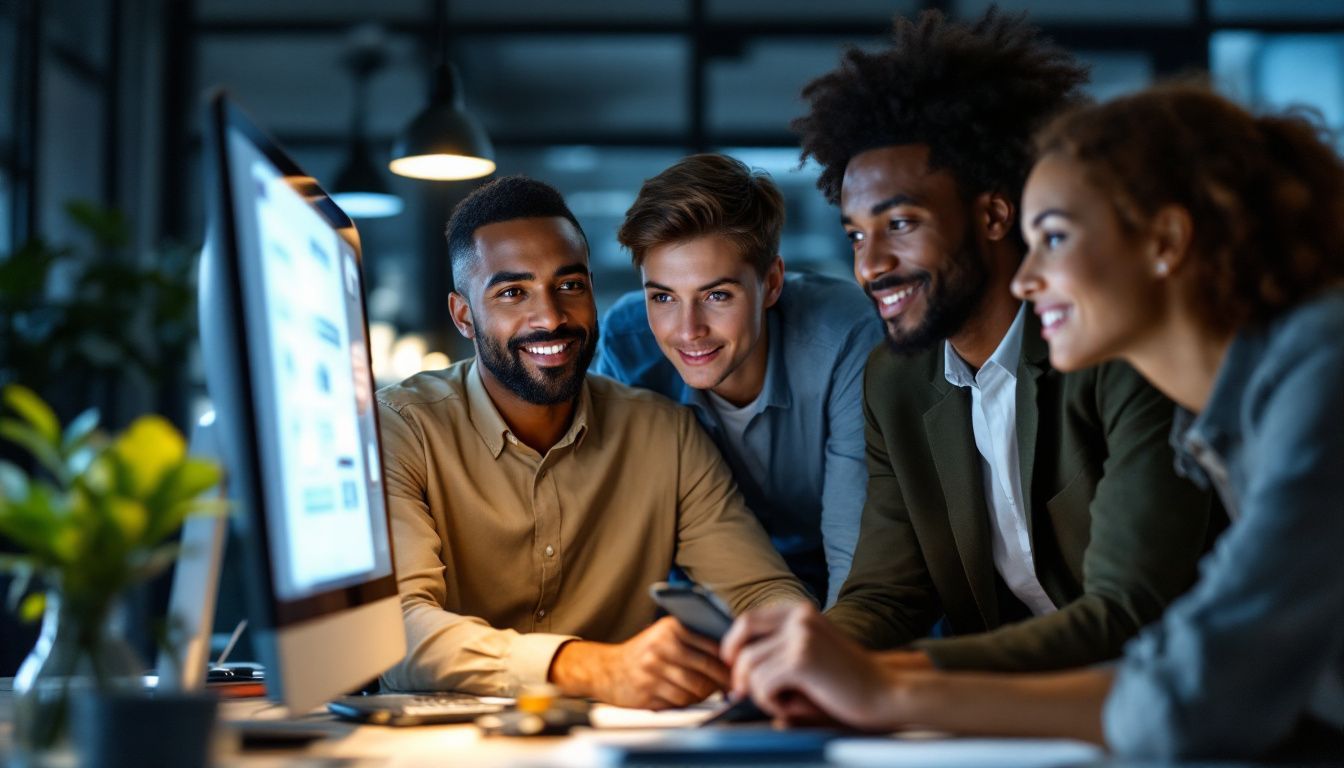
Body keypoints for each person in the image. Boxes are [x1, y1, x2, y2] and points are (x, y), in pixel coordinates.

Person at [724, 83, 1344, 761]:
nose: (1026, 277)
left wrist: (888, 689)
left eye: (1052, 237)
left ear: (1166, 239)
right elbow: (1191, 666)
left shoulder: (1311, 374)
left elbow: (1183, 672)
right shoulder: (1243, 402)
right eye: (854, 234)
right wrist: (827, 668)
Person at [785, 8, 1216, 673]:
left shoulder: (1117, 353)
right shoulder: (896, 380)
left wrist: (898, 675)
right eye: (855, 234)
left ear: (992, 214)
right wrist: (805, 652)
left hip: (1164, 694)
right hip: (1022, 711)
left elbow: (1130, 609)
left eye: (899, 223)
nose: (868, 265)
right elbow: (888, 591)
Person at [377, 176, 813, 709]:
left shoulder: (666, 435)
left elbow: (757, 591)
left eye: (570, 285)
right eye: (513, 292)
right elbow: (392, 630)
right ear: (464, 315)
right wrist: (586, 666)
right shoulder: (400, 428)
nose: (551, 317)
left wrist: (794, 646)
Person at [594, 154, 884, 606]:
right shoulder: (627, 343)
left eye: (716, 295)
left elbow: (857, 565)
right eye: (664, 297)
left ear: (771, 283)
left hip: (841, 581)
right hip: (708, 594)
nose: (688, 330)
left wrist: (823, 668)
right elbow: (620, 524)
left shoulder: (845, 336)